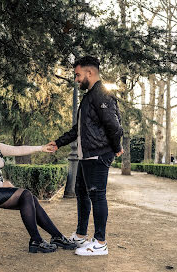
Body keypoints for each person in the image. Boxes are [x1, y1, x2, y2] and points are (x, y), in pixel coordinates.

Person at [0, 120, 76, 253]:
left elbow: (18, 150)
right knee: (25, 195)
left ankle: (57, 237)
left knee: (30, 197)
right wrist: (1, 184)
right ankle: (37, 240)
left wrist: (41, 148)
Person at [48, 56, 123, 256]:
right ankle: (81, 235)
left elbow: (114, 126)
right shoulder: (89, 97)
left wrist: (116, 147)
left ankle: (100, 243)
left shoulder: (101, 95)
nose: (76, 79)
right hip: (87, 155)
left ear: (89, 73)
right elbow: (79, 129)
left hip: (98, 154)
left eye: (78, 75)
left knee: (97, 195)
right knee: (81, 192)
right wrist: (59, 142)